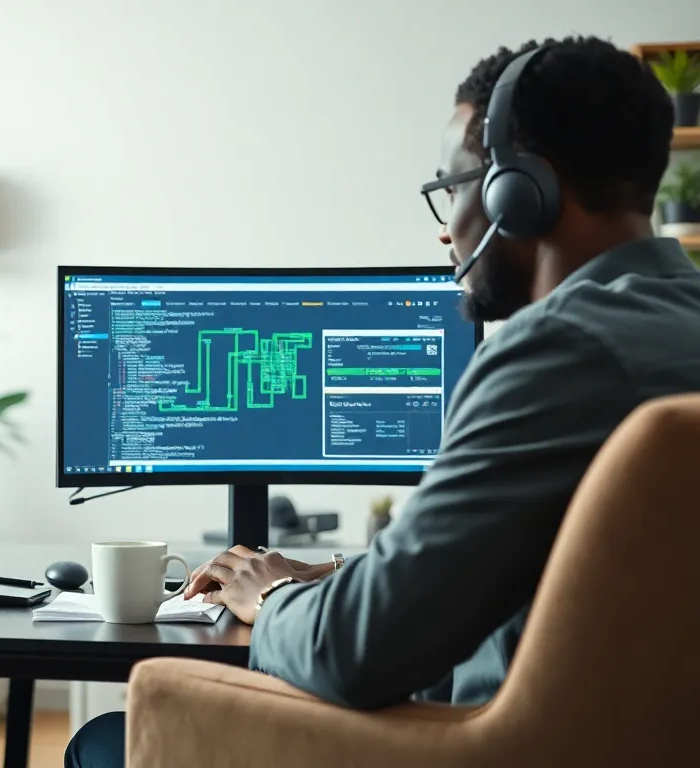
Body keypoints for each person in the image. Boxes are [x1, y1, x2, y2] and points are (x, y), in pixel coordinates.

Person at [66, 35, 700, 766]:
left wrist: (270, 598)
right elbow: (561, 566)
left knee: (104, 744)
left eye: (452, 187)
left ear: (520, 193)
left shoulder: (556, 355)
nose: (445, 227)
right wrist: (341, 575)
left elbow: (351, 652)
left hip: (475, 743)